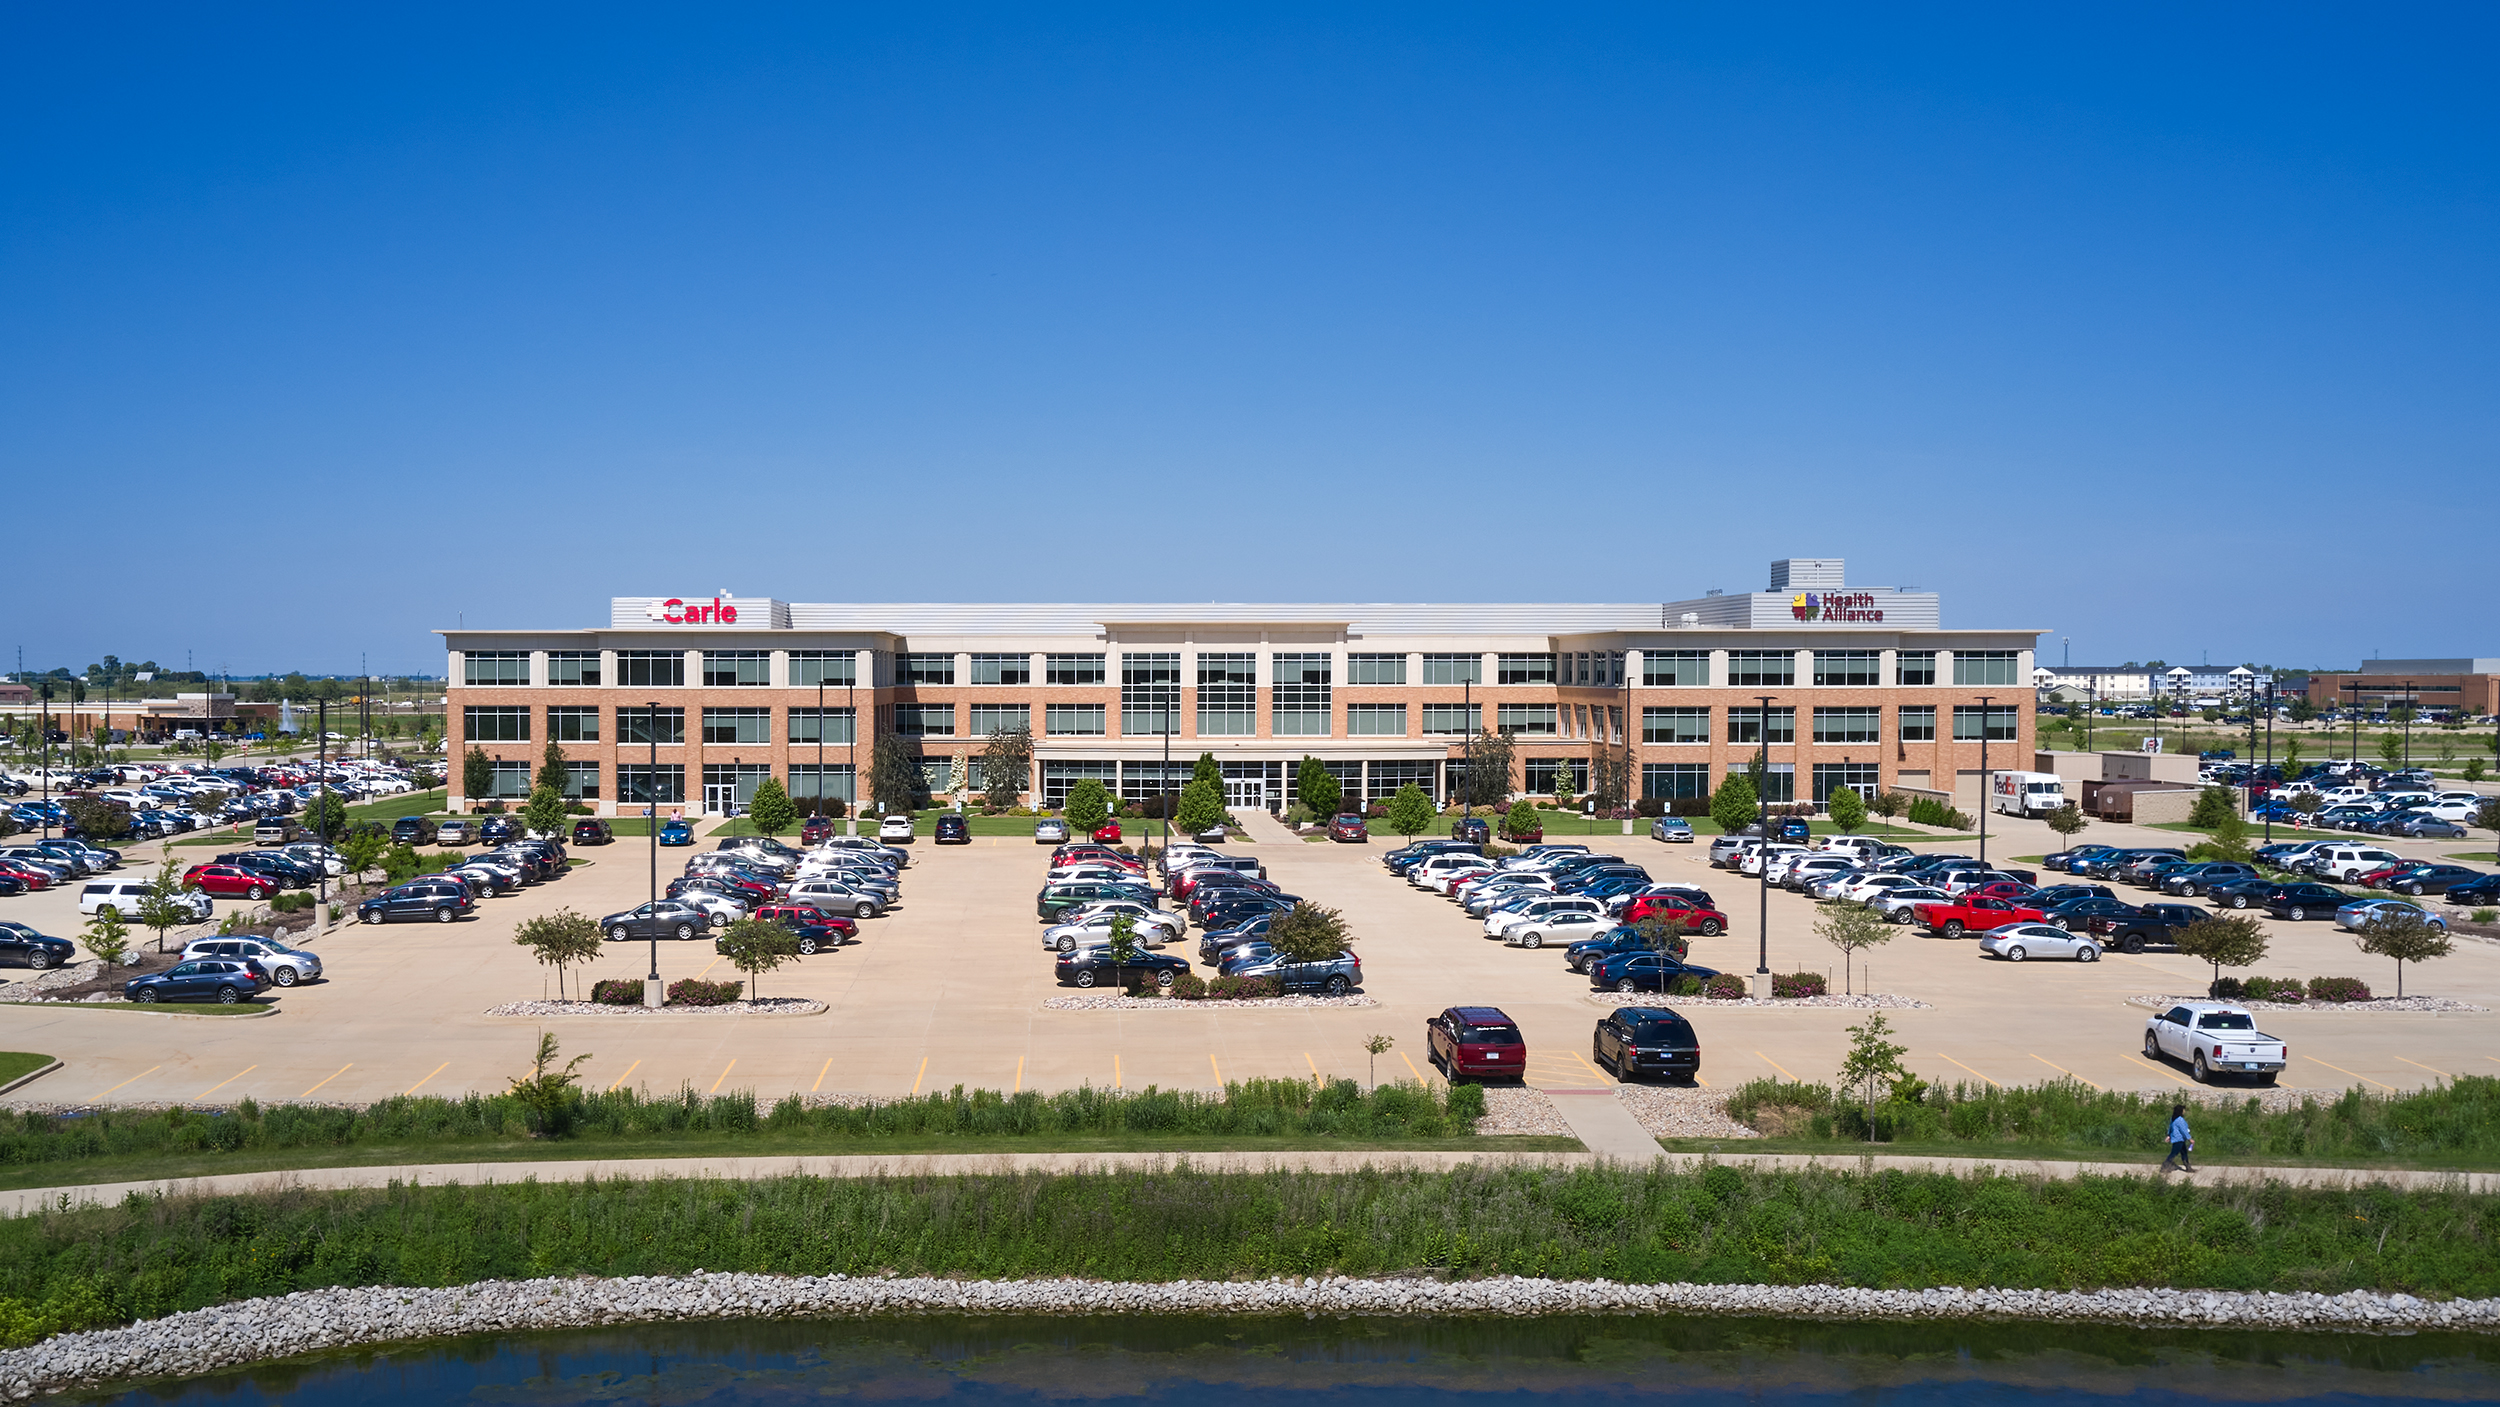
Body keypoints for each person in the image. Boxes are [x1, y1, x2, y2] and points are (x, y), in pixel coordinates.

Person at [2160, 1103, 2194, 1173]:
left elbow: (2171, 1128)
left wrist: (2169, 1135)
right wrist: (2189, 1139)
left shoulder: (2173, 1119)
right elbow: (2183, 1130)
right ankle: (2165, 1166)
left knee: (2184, 1153)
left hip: (2177, 1139)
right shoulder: (2180, 1120)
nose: (2184, 1111)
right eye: (2183, 1110)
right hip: (2179, 1139)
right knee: (2173, 1153)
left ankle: (2188, 1167)